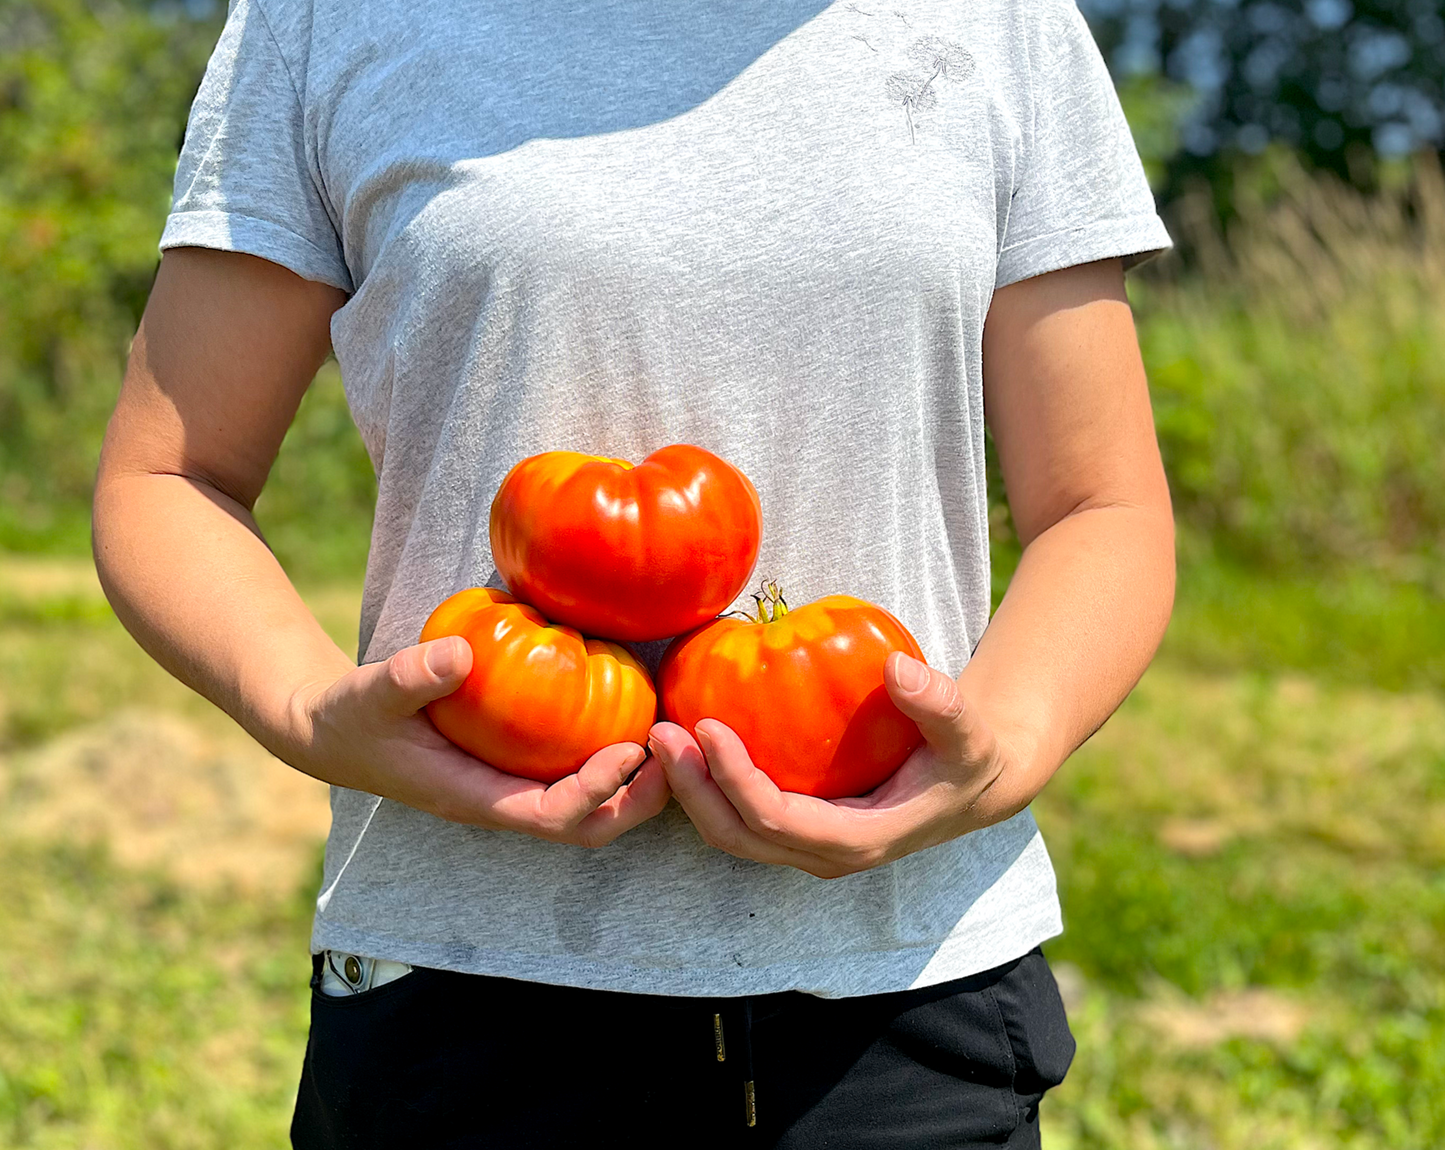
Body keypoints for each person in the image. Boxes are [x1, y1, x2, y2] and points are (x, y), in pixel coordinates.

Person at [92, 0, 1175, 1145]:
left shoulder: (1003, 20)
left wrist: (998, 750)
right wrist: (302, 705)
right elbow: (171, 472)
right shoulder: (327, 19)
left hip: (905, 992)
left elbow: (1098, 504)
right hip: (463, 988)